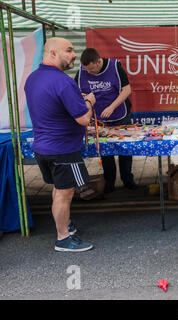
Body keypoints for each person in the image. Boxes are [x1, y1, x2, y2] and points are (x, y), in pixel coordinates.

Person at [24, 37, 95, 252]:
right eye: (69, 50)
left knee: (59, 190)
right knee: (65, 193)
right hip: (63, 149)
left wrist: (74, 99)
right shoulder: (64, 82)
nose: (74, 54)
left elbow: (51, 105)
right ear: (52, 53)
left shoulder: (32, 78)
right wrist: (89, 101)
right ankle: (63, 238)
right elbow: (84, 119)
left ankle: (65, 227)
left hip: (43, 148)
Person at [75, 48, 137, 193]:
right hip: (98, 118)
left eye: (91, 69)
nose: (88, 73)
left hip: (120, 114)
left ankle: (128, 179)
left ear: (99, 62)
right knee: (106, 150)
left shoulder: (115, 66)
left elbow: (126, 90)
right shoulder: (83, 70)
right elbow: (75, 91)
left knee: (124, 149)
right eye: (86, 70)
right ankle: (109, 182)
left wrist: (111, 107)